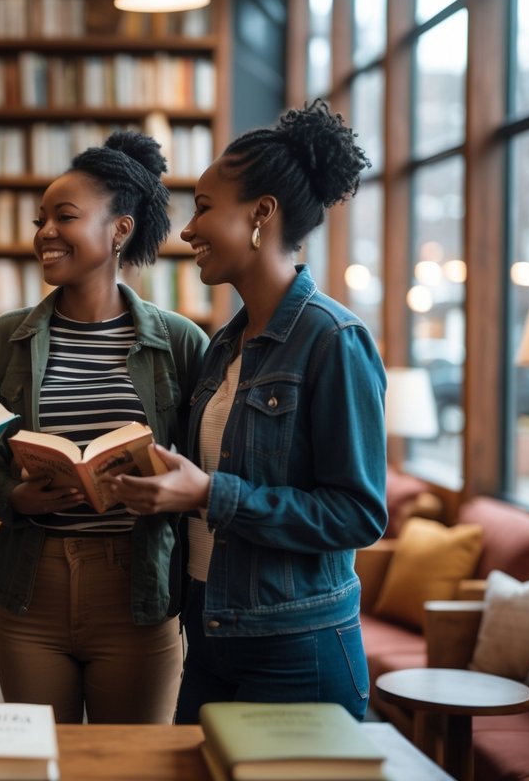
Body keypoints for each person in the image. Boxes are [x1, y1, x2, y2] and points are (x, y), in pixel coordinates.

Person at [101, 100, 387, 723]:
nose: (185, 229)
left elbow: (359, 515)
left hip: (296, 648)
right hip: (211, 631)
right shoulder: (223, 344)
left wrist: (209, 494)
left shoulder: (334, 340)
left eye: (203, 207)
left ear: (261, 214)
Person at [0, 131, 209, 724]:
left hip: (138, 587)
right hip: (32, 587)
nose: (45, 232)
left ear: (119, 230)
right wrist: (11, 495)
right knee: (38, 760)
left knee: (125, 767)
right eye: (41, 219)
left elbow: (210, 469)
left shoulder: (180, 342)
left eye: (65, 217)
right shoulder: (4, 339)